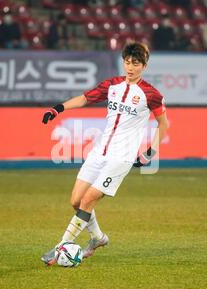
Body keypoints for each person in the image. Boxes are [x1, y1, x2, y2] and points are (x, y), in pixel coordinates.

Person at [40, 42, 169, 265]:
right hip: (99, 152)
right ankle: (98, 238)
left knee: (88, 200)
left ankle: (60, 248)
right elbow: (85, 98)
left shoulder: (151, 94)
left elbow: (163, 123)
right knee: (76, 201)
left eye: (135, 63)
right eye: (127, 62)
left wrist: (150, 152)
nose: (130, 67)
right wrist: (57, 108)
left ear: (144, 66)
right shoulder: (112, 85)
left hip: (122, 158)